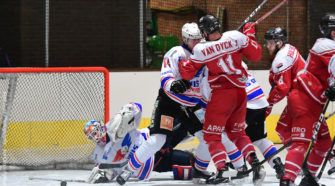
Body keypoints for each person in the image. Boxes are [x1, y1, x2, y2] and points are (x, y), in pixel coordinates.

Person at [115, 22, 215, 185]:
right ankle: (129, 169)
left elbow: (206, 82)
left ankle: (199, 170)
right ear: (184, 39)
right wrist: (174, 85)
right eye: (193, 40)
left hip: (191, 106)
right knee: (158, 140)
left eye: (198, 39)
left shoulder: (203, 55)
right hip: (169, 103)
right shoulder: (176, 53)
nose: (196, 43)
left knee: (207, 138)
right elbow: (166, 76)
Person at [179, 14, 265, 184]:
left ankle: (222, 169)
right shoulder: (236, 36)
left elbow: (186, 72)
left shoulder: (200, 50)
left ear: (204, 32)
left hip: (222, 95)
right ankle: (255, 163)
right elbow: (256, 54)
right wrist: (249, 33)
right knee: (238, 133)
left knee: (211, 135)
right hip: (241, 93)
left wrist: (183, 63)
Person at [263, 26, 332, 186]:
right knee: (283, 128)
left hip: (303, 99)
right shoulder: (290, 48)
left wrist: (268, 105)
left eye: (270, 42)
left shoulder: (281, 58)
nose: (268, 46)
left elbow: (282, 87)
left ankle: (292, 176)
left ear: (279, 42)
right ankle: (306, 171)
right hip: (307, 98)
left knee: (301, 142)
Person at [84, 102, 196, 183]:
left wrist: (128, 110)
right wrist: (105, 176)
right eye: (92, 136)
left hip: (151, 139)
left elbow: (138, 107)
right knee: (189, 162)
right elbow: (112, 172)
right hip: (153, 163)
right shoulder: (99, 154)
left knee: (184, 123)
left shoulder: (115, 125)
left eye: (95, 132)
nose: (96, 137)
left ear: (101, 127)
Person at [299, 13, 335, 184]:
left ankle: (309, 177)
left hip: (311, 100)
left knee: (323, 141)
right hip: (307, 101)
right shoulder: (325, 45)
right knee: (314, 141)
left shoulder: (325, 44)